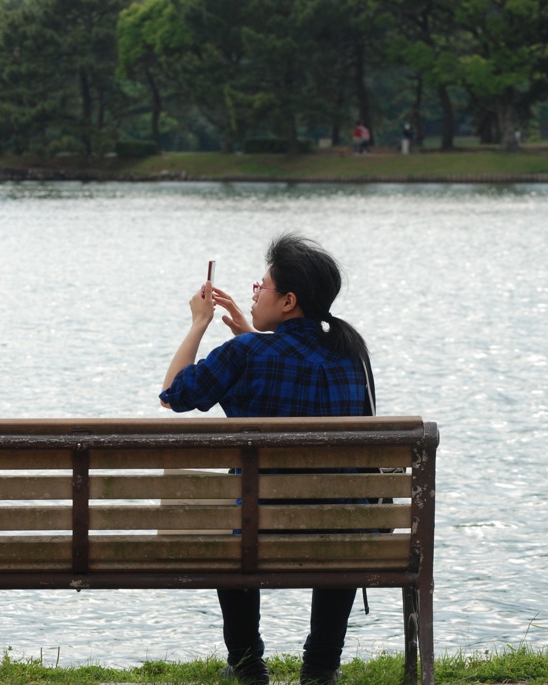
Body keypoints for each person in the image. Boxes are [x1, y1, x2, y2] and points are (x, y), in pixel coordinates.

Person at [160, 233, 374, 685]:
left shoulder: (246, 354)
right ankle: (320, 667)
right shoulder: (350, 356)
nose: (254, 294)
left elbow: (174, 394)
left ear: (289, 301)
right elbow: (293, 373)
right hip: (341, 530)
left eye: (262, 287)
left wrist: (199, 323)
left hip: (257, 529)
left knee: (234, 523)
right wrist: (252, 338)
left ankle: (247, 663)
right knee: (338, 518)